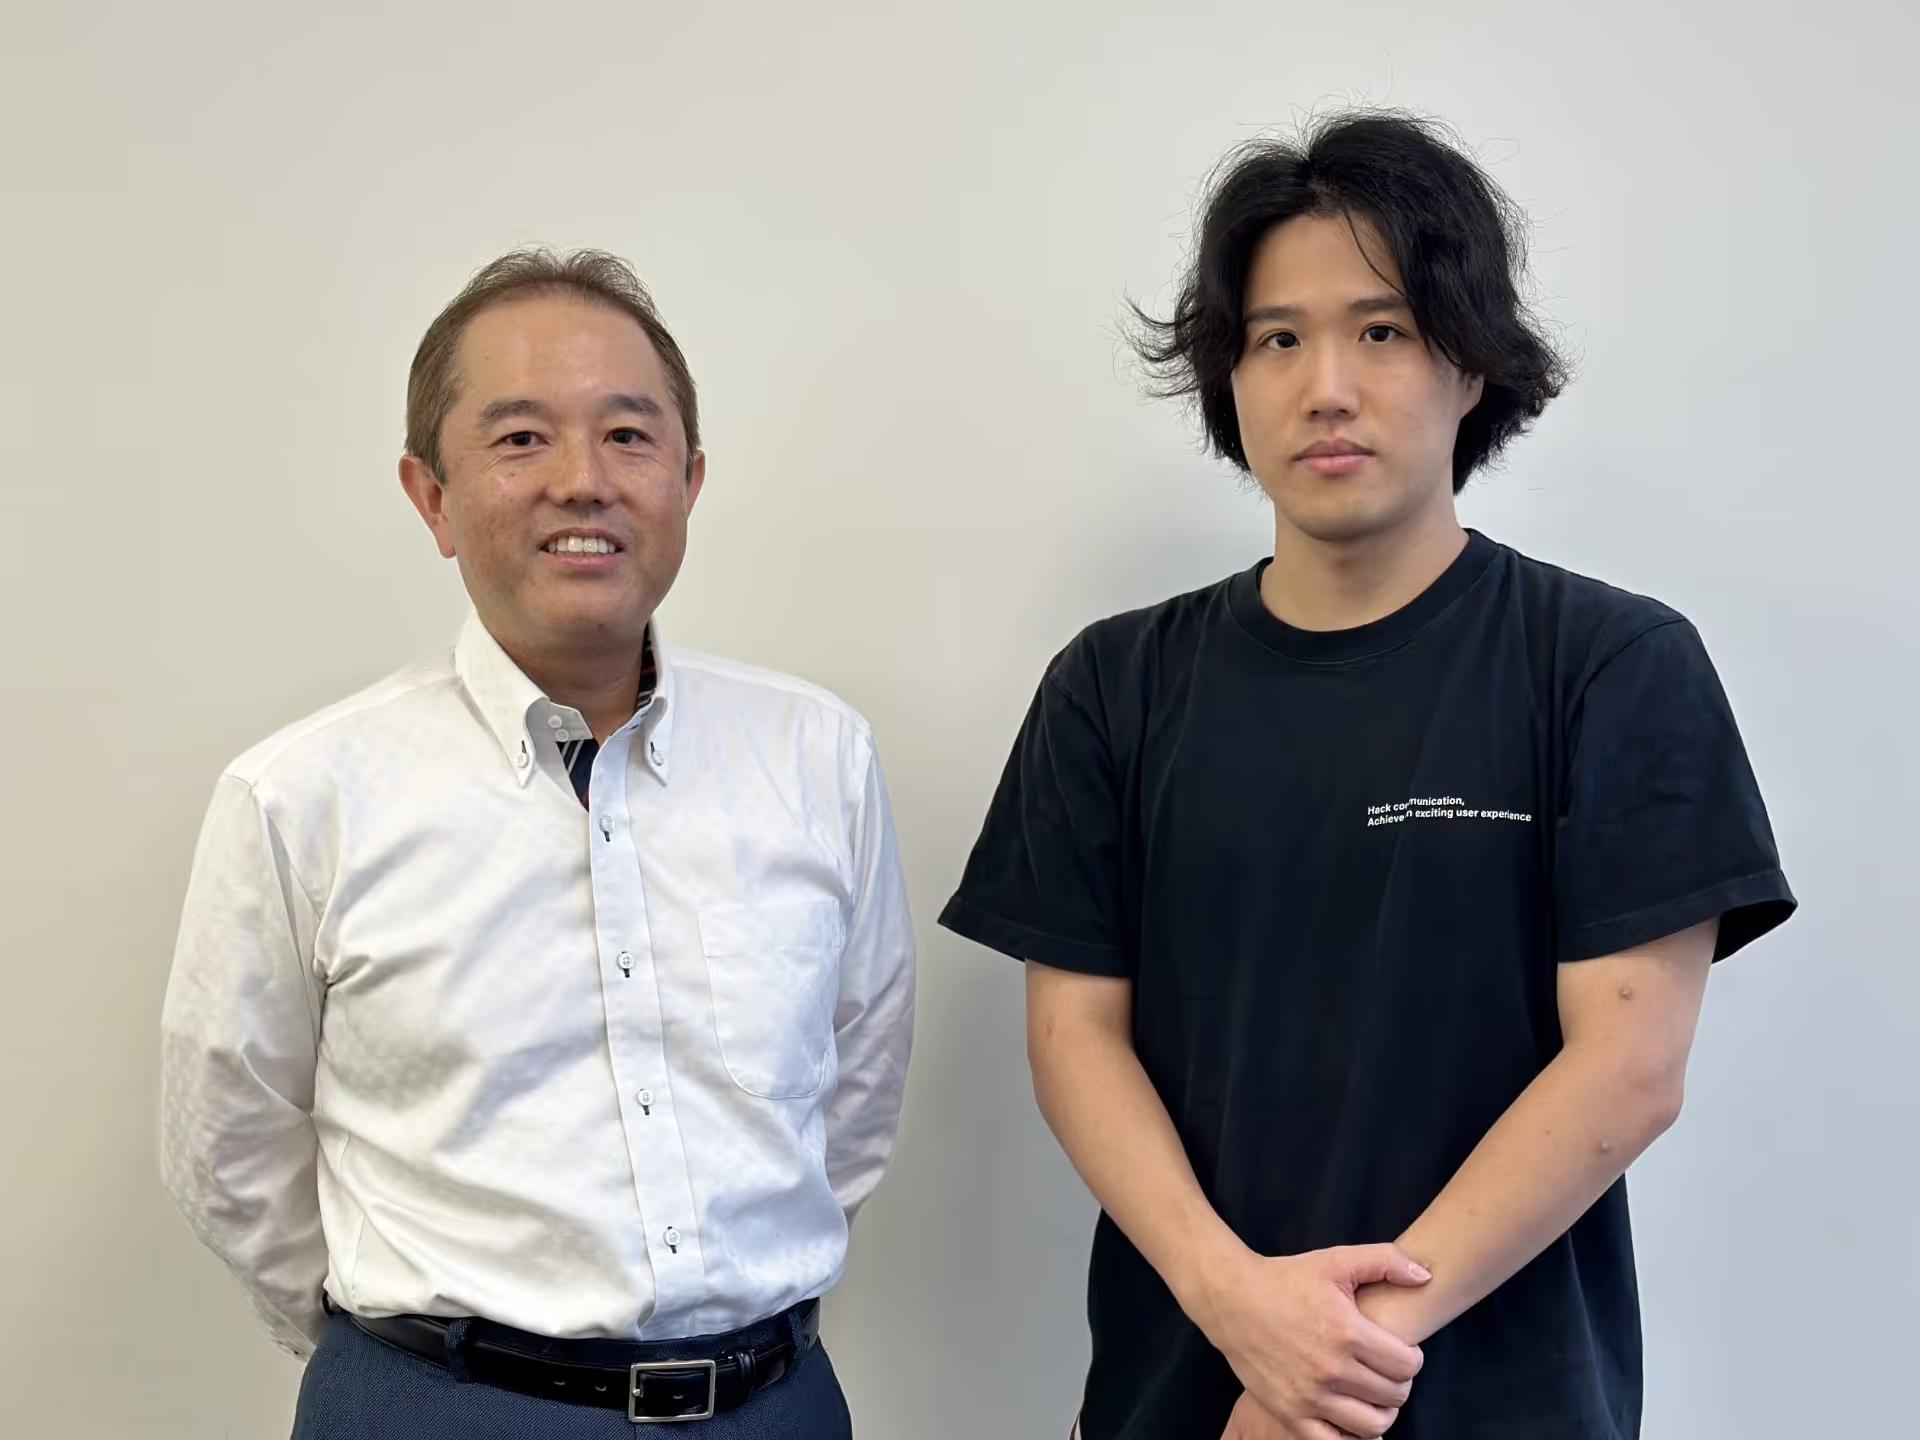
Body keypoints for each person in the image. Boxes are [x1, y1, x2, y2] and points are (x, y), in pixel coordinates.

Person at [939, 111, 1795, 1440]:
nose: (1325, 386)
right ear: (1231, 378)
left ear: (1472, 363)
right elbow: (1074, 1040)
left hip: (1497, 1402)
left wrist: (1329, 1364)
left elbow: (1629, 1065)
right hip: (1184, 1395)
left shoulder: (1609, 666)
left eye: (1382, 330)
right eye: (1277, 339)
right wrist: (1240, 1308)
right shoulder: (1114, 684)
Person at [160, 248, 915, 1437]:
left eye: (628, 436)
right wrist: (405, 1343)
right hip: (441, 1407)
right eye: (521, 438)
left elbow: (859, 1088)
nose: (583, 481)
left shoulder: (817, 756)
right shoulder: (302, 795)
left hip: (775, 1406)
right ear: (432, 497)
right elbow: (226, 1139)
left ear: (689, 480)